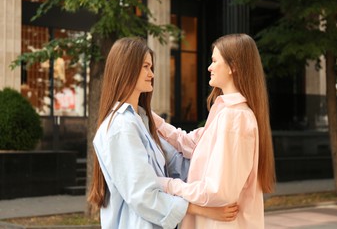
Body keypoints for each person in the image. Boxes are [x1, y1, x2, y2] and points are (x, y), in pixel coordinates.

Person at [87, 37, 239, 229]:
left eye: (151, 67)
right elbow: (143, 195)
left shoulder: (140, 121)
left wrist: (222, 136)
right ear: (125, 68)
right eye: (145, 67)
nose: (151, 74)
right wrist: (203, 209)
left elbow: (179, 165)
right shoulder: (121, 127)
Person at [153, 33, 276, 229]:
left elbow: (218, 191)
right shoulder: (226, 112)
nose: (209, 67)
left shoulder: (235, 118)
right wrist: (152, 120)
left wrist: (166, 185)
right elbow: (191, 143)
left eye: (214, 61)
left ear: (233, 66)